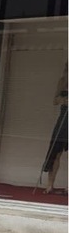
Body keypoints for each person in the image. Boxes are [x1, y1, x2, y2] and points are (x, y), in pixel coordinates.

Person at [40, 65, 68, 195]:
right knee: (55, 151)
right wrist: (64, 100)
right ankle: (50, 185)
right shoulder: (63, 81)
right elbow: (55, 100)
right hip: (64, 116)